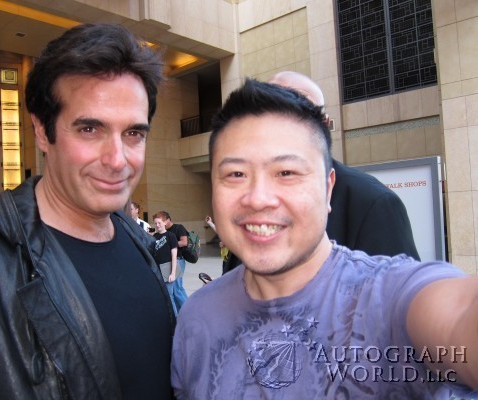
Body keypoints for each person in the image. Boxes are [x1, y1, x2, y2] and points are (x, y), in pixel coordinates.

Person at [171, 79, 478, 399]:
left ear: (328, 188)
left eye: (286, 172)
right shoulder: (196, 317)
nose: (258, 198)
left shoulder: (386, 299)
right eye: (236, 174)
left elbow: (458, 315)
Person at [0, 23, 175, 399]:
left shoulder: (135, 238)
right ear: (41, 131)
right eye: (90, 130)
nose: (118, 160)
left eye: (133, 133)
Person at [268, 71, 420, 260]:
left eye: (301, 114)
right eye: (268, 114)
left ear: (325, 125)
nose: (283, 127)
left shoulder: (372, 203)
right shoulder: (244, 198)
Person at [152, 211, 180, 314]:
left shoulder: (170, 236)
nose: (157, 225)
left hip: (167, 268)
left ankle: (175, 318)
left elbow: (174, 256)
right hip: (157, 269)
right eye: (155, 223)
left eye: (159, 223)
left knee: (169, 296)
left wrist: (173, 273)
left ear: (165, 222)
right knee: (161, 297)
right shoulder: (154, 237)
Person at [164, 211, 189, 311]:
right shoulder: (164, 231)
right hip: (169, 261)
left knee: (177, 289)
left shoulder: (179, 228)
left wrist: (171, 244)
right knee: (173, 290)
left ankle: (188, 310)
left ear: (168, 219)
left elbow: (184, 242)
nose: (161, 224)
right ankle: (180, 312)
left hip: (178, 260)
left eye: (163, 221)